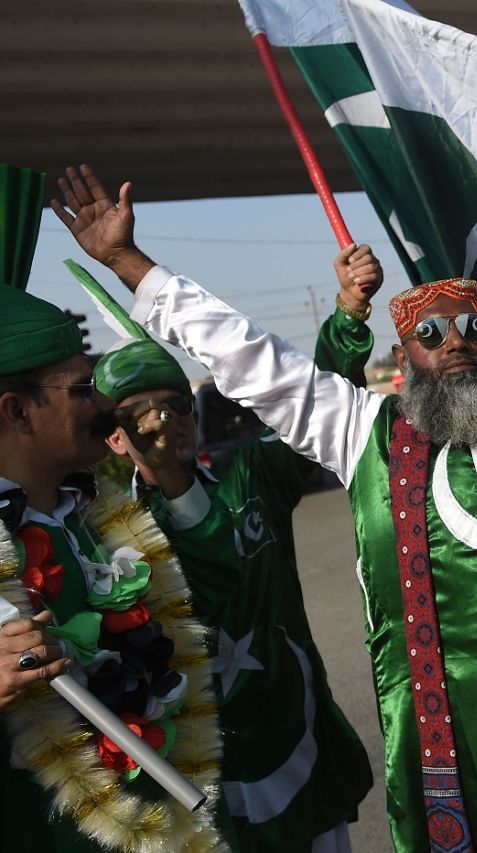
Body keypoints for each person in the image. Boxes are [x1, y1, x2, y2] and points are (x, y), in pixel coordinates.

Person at [55, 109, 477, 853]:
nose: (455, 344)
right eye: (431, 335)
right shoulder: (360, 427)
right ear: (404, 358)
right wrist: (129, 263)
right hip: (456, 746)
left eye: (470, 329)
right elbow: (244, 354)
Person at [74, 241, 381, 850]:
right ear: (113, 440)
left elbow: (312, 406)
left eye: (175, 405)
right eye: (141, 415)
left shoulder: (251, 479)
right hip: (196, 769)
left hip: (299, 745)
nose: (167, 422)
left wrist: (347, 314)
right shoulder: (102, 533)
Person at [0, 164, 226, 851]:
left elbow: (221, 594)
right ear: (14, 411)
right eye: (78, 390)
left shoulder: (103, 514)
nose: (102, 405)